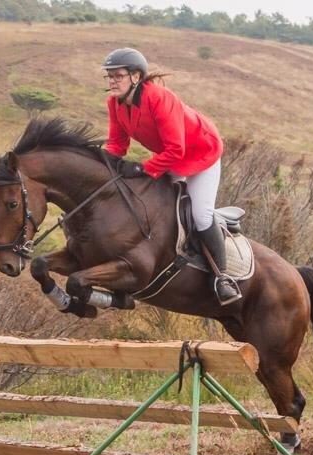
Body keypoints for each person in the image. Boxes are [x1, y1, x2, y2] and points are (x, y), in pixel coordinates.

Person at [101, 47, 241, 306]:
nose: (111, 81)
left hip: (201, 153)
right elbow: (117, 145)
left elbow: (177, 149)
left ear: (135, 77)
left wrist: (143, 168)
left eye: (117, 76)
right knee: (155, 206)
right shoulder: (115, 103)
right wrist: (99, 164)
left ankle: (223, 277)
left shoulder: (159, 98)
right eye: (109, 77)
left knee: (200, 214)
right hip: (171, 157)